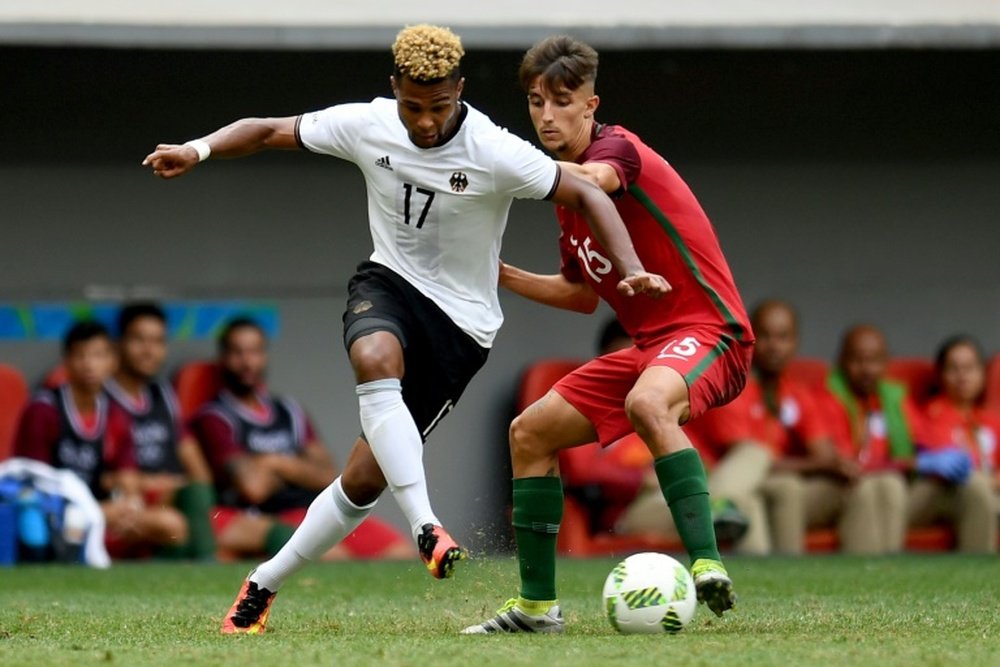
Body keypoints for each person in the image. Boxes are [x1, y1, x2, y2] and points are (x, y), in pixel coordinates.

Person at [144, 24, 665, 634]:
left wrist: (630, 268)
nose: (423, 121)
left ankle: (261, 584)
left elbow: (588, 194)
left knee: (363, 479)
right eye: (412, 106)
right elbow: (265, 129)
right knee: (373, 357)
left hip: (462, 327)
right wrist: (197, 149)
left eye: (438, 106)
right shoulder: (370, 123)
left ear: (460, 91)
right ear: (394, 89)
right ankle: (425, 526)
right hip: (389, 286)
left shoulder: (494, 149)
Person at [463, 35, 753, 635]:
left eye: (562, 101)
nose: (547, 115)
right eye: (536, 102)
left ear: (590, 107)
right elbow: (578, 293)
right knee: (530, 431)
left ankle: (706, 561)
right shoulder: (566, 205)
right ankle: (538, 609)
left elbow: (596, 178)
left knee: (647, 401)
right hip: (652, 350)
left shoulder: (617, 149)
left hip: (710, 332)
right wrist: (499, 273)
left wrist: (491, 165)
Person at [619, 300, 835, 555]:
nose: (774, 346)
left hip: (716, 493)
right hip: (658, 505)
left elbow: (822, 452)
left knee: (749, 500)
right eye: (765, 336)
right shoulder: (726, 385)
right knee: (755, 456)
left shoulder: (794, 393)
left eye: (782, 337)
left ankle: (768, 583)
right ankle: (721, 505)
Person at [189, 317, 412, 563]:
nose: (247, 362)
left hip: (318, 510)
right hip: (269, 517)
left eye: (254, 351)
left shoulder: (289, 410)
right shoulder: (215, 417)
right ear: (223, 358)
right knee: (335, 558)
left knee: (400, 554)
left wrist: (274, 464)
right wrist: (299, 470)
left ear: (265, 356)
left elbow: (329, 475)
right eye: (237, 352)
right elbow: (253, 488)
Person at [14, 320, 187, 556]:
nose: (89, 365)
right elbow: (33, 481)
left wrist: (130, 506)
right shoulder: (45, 410)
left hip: (103, 512)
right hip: (54, 510)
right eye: (80, 356)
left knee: (172, 524)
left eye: (98, 356)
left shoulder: (116, 414)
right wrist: (96, 509)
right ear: (67, 362)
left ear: (112, 361)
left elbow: (128, 480)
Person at [104, 302, 217, 560]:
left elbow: (200, 473)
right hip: (124, 501)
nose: (149, 350)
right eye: (139, 340)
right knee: (183, 519)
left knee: (198, 494)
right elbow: (100, 476)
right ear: (119, 343)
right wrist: (148, 484)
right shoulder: (102, 397)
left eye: (157, 341)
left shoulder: (163, 395)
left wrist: (173, 485)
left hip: (168, 498)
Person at [810, 325, 923, 554]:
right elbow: (844, 460)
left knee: (891, 484)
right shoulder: (827, 395)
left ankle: (890, 567)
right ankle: (866, 571)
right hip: (844, 484)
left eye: (875, 361)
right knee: (872, 487)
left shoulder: (894, 396)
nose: (867, 370)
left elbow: (921, 443)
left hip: (895, 483)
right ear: (842, 361)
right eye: (858, 361)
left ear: (886, 363)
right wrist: (895, 465)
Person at [910, 335, 996, 552]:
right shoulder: (930, 415)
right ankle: (978, 577)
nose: (962, 376)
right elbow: (956, 474)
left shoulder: (992, 419)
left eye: (970, 368)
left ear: (983, 374)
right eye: (953, 369)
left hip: (990, 491)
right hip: (945, 493)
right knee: (975, 486)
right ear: (940, 375)